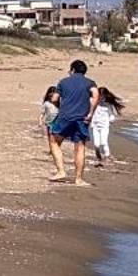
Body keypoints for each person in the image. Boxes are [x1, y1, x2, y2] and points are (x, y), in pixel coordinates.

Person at [46, 58, 101, 186]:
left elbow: (54, 98)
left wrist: (60, 106)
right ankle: (78, 179)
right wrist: (91, 113)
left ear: (72, 70)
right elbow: (96, 95)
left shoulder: (64, 82)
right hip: (82, 117)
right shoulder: (90, 82)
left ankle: (61, 171)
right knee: (80, 147)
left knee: (54, 140)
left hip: (65, 116)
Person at [90, 87, 125, 167]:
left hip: (104, 126)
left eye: (103, 96)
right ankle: (98, 156)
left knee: (103, 142)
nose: (101, 98)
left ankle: (107, 155)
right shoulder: (93, 102)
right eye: (100, 96)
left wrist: (110, 120)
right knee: (96, 144)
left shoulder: (108, 105)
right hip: (95, 125)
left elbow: (111, 115)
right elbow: (90, 112)